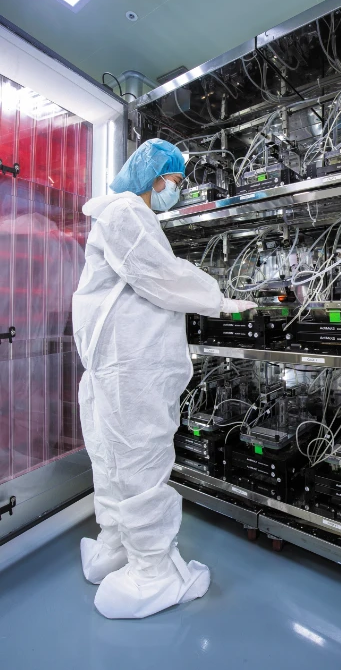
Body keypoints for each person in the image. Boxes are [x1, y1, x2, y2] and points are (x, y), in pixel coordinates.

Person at [72, 139, 256, 619]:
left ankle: (115, 546)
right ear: (153, 177)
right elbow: (161, 275)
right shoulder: (128, 213)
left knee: (113, 460)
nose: (176, 190)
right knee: (141, 461)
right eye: (174, 182)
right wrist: (218, 300)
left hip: (112, 365)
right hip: (133, 366)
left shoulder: (114, 216)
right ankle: (152, 572)